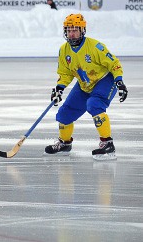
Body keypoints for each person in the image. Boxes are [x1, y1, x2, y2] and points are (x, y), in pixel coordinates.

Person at [45, 14, 127, 160]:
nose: (71, 33)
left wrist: (119, 82)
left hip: (105, 80)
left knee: (94, 104)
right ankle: (65, 143)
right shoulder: (64, 50)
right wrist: (59, 88)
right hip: (85, 85)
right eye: (69, 30)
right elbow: (65, 73)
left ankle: (107, 143)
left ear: (82, 30)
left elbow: (114, 63)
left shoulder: (95, 46)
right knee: (64, 114)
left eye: (75, 30)